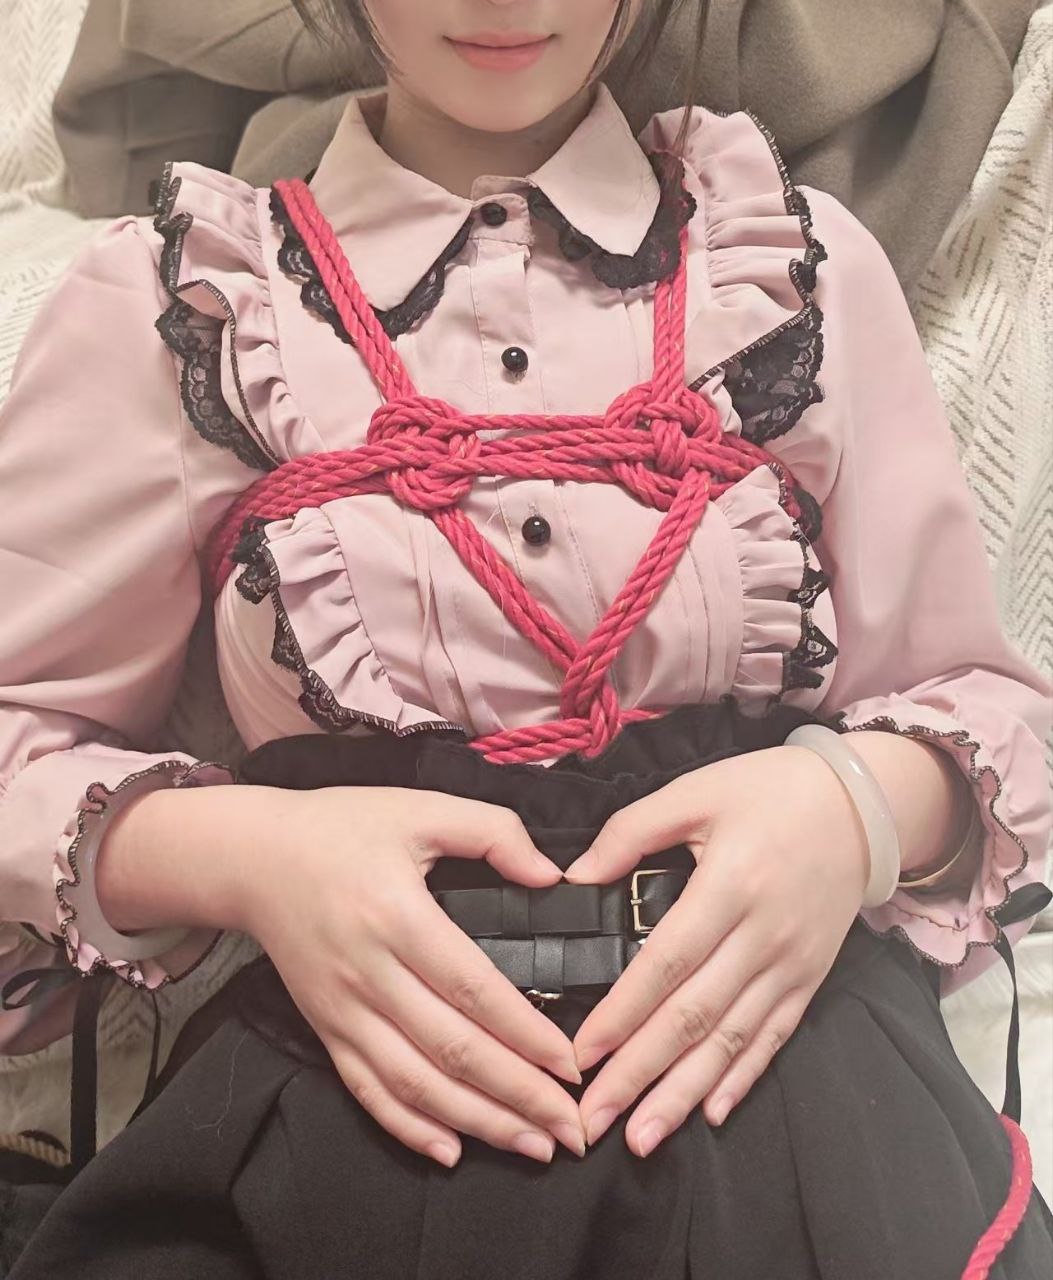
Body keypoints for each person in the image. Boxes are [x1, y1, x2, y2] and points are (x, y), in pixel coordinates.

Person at [1, 1, 1051, 1276]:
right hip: (344, 1118)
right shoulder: (194, 299)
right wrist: (252, 857)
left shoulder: (791, 265)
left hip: (799, 1093)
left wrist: (851, 812)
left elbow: (983, 708)